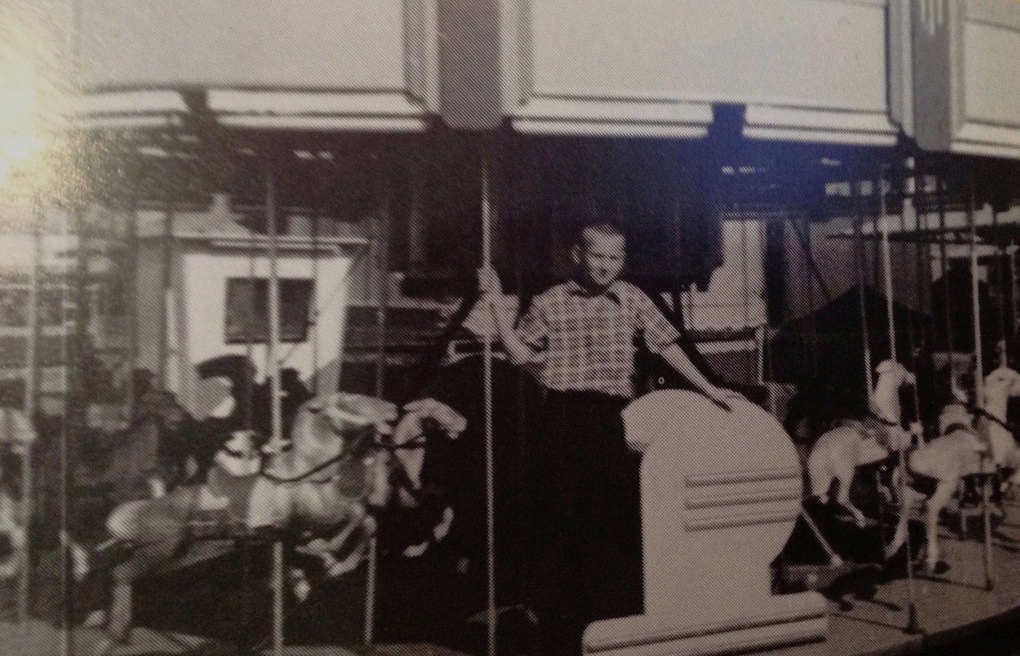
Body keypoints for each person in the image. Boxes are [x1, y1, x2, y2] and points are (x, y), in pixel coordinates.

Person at [478, 221, 741, 653]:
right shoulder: (549, 302)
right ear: (577, 256)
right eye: (597, 256)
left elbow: (668, 344)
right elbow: (519, 353)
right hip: (561, 417)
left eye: (615, 258)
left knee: (613, 515)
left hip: (609, 417)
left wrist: (708, 388)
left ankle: (611, 621)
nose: (606, 266)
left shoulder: (632, 299)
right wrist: (494, 307)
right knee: (561, 517)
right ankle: (558, 625)